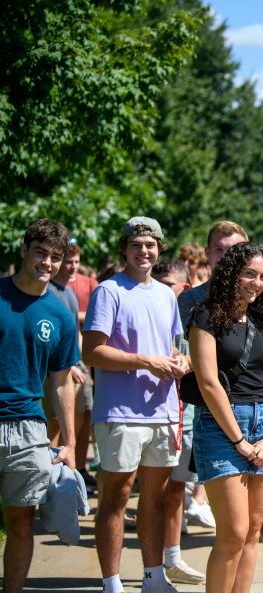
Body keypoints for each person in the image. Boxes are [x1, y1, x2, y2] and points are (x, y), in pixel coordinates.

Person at [178, 220, 263, 593]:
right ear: (231, 273)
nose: (258, 283)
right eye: (249, 274)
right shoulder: (205, 314)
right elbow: (208, 381)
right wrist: (240, 441)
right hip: (222, 427)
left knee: (251, 534)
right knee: (232, 532)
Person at [82, 217, 188, 593]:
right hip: (119, 412)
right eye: (136, 245)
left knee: (155, 499)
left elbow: (173, 346)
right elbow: (92, 351)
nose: (144, 251)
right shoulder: (108, 291)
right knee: (116, 496)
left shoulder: (164, 293)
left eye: (150, 245)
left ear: (159, 248)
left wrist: (180, 361)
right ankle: (112, 583)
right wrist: (147, 361)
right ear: (123, 249)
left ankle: (153, 577)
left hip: (162, 411)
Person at [0, 219, 80, 593]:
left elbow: (62, 382)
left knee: (20, 523)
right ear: (24, 250)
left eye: (55, 256)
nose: (47, 262)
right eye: (41, 252)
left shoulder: (60, 314)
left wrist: (70, 443)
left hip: (29, 429)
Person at [151, 260, 206, 586]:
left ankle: (172, 560)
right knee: (151, 495)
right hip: (149, 418)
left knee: (175, 492)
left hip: (184, 418)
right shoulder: (148, 313)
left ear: (183, 288)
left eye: (168, 284)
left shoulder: (188, 319)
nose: (161, 289)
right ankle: (153, 568)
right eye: (157, 282)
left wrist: (188, 362)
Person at [49, 242, 94, 490]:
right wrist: (70, 366)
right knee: (56, 420)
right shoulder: (50, 292)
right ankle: (52, 469)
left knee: (84, 414)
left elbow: (74, 332)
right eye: (68, 261)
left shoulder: (68, 292)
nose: (72, 266)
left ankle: (76, 469)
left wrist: (81, 361)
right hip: (61, 369)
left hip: (76, 363)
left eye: (76, 261)